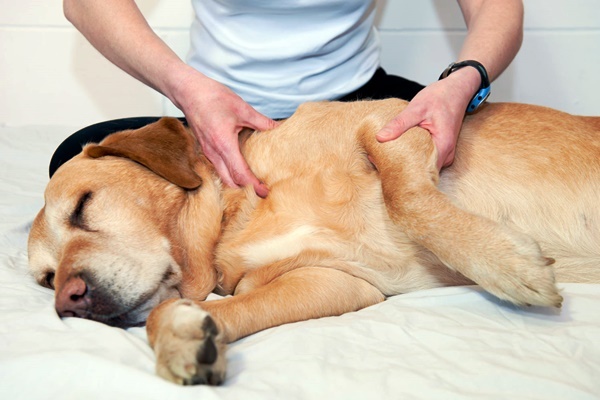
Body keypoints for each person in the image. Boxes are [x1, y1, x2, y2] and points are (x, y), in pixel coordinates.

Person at [54, 0, 524, 198]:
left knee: (492, 160)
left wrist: (463, 81)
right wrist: (186, 87)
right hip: (217, 117)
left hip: (354, 110)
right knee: (76, 164)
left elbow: (495, 6)